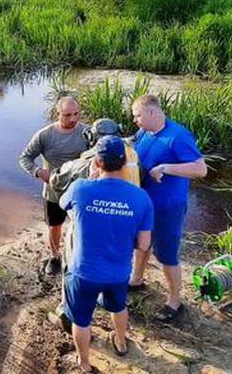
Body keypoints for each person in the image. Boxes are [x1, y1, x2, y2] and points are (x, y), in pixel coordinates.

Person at [60, 136, 153, 373]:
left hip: (83, 271)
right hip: (118, 271)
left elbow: (62, 204)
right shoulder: (141, 197)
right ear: (124, 162)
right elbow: (144, 244)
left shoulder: (81, 188)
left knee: (81, 320)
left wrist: (91, 179)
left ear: (97, 162)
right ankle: (120, 342)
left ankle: (84, 363)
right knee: (118, 307)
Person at [48, 118, 140, 332]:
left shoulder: (83, 165)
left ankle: (67, 314)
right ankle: (115, 319)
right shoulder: (132, 158)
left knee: (71, 267)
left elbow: (57, 181)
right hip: (121, 229)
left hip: (85, 229)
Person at [129, 94, 207, 321]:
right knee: (142, 243)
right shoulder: (145, 131)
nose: (135, 120)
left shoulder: (178, 136)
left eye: (137, 116)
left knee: (167, 255)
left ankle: (174, 301)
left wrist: (166, 167)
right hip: (145, 202)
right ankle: (136, 279)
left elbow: (200, 169)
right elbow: (133, 143)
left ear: (152, 113)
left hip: (167, 207)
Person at [19, 96, 89, 275]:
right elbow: (25, 158)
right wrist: (38, 172)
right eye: (67, 115)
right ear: (57, 114)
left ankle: (79, 256)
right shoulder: (45, 135)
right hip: (53, 192)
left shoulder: (88, 133)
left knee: (81, 225)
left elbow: (100, 157)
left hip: (81, 191)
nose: (73, 119)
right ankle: (55, 256)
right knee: (54, 226)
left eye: (76, 114)